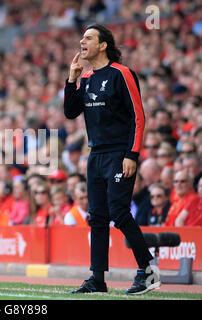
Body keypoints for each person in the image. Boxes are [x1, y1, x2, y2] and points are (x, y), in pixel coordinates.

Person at [63, 24, 159, 295]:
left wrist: (132, 154)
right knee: (98, 217)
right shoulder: (88, 77)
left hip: (120, 153)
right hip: (95, 155)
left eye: (89, 38)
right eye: (82, 37)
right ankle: (98, 279)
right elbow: (71, 112)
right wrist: (72, 79)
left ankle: (148, 270)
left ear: (103, 45)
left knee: (118, 212)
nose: (82, 41)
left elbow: (138, 117)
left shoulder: (122, 73)